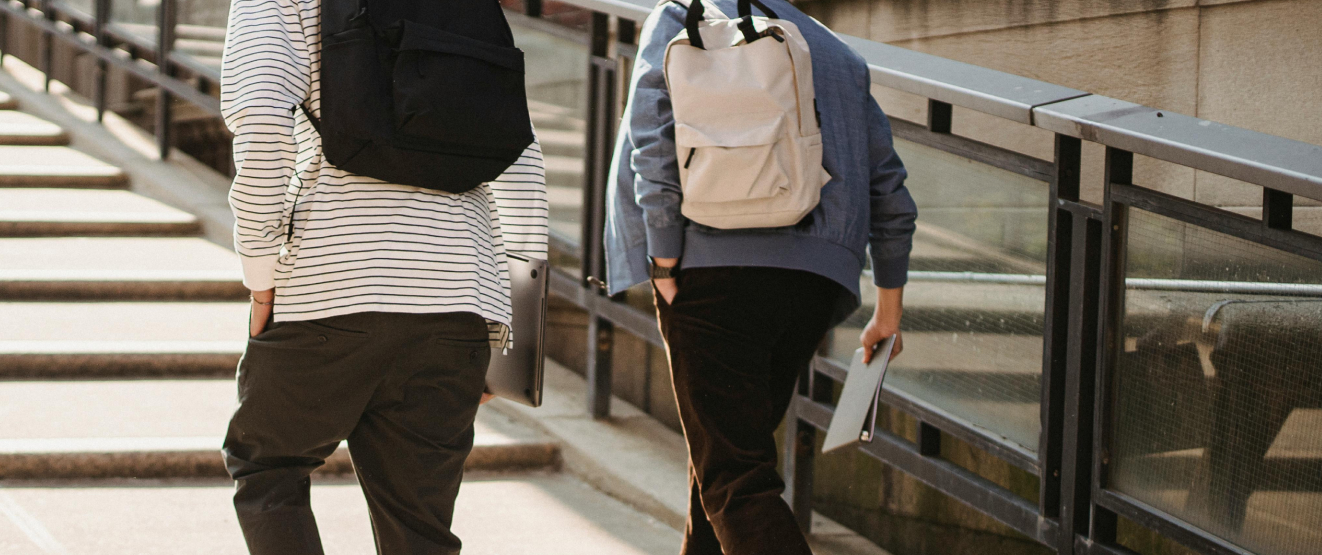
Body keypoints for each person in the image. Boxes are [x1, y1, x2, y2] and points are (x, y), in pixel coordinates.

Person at [216, 0, 549, 552]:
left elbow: (262, 122)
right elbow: (521, 154)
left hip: (331, 279)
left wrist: (261, 275)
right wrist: (505, 329)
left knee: (267, 466)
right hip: (460, 293)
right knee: (418, 526)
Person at [604, 1, 917, 553]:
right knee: (723, 467)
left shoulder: (682, 18)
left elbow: (651, 138)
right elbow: (887, 183)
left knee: (734, 478)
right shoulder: (836, 51)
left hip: (710, 269)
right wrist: (888, 307)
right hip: (814, 283)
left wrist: (663, 257)